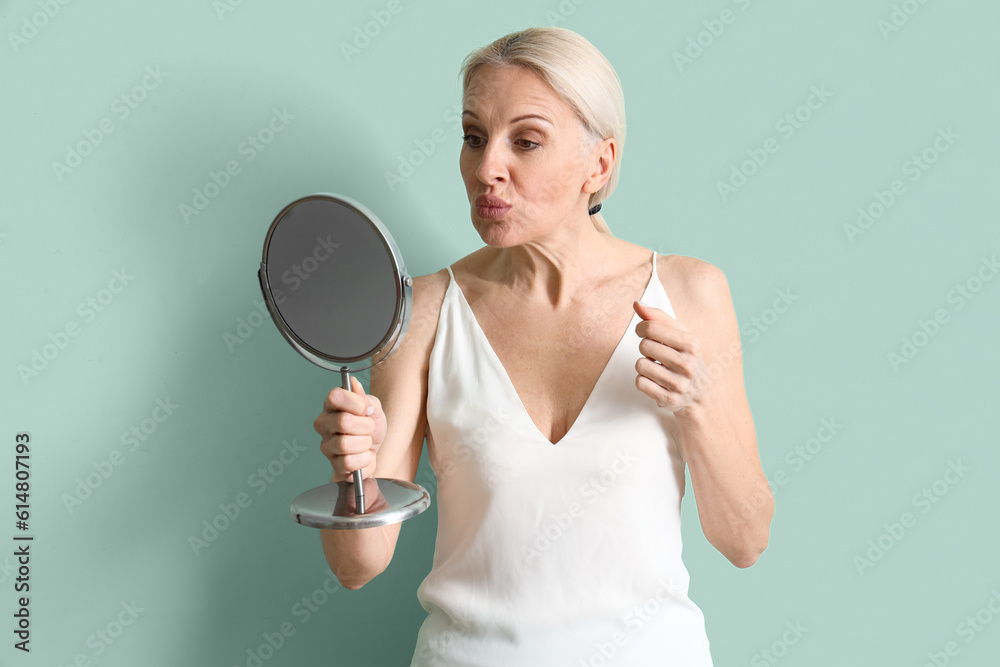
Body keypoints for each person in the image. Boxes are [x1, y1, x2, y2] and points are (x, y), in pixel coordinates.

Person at [312, 26, 773, 666]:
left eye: (525, 141)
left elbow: (746, 539)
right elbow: (358, 565)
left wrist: (697, 406)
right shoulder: (421, 310)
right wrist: (350, 471)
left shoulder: (690, 294)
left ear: (599, 165)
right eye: (474, 137)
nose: (486, 168)